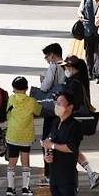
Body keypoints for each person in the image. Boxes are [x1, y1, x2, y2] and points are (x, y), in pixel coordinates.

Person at [61, 56, 99, 190]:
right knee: (74, 150)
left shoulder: (74, 83)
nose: (65, 70)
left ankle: (74, 184)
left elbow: (72, 103)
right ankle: (91, 174)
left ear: (72, 68)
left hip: (73, 122)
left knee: (69, 152)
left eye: (66, 67)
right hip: (78, 122)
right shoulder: (80, 79)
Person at [42, 92, 83, 196]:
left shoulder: (75, 126)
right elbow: (48, 141)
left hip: (67, 175)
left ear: (70, 107)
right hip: (54, 173)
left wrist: (52, 146)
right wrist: (47, 154)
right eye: (56, 103)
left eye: (60, 103)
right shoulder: (55, 123)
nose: (57, 106)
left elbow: (71, 147)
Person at [5, 76, 42, 196]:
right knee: (25, 162)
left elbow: (7, 113)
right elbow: (38, 111)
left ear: (14, 88)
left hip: (12, 135)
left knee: (12, 162)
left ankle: (10, 188)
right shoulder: (31, 101)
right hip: (26, 136)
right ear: (26, 88)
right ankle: (25, 188)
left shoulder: (11, 99)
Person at [39, 43, 66, 185]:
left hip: (52, 109)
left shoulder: (53, 67)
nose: (46, 59)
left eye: (47, 56)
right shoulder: (67, 65)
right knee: (60, 141)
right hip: (64, 108)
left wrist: (43, 80)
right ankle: (60, 173)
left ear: (53, 55)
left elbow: (45, 87)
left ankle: (49, 174)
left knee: (47, 141)